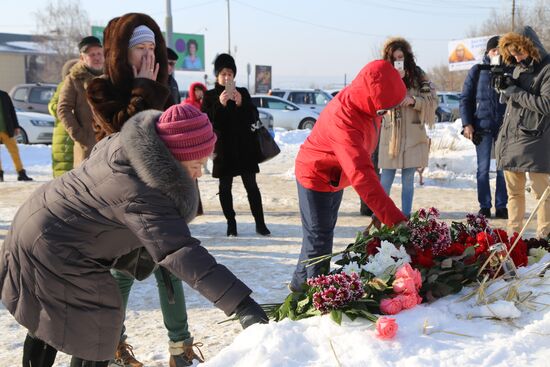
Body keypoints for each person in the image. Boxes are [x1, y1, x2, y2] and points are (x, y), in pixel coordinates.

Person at [0, 103, 268, 367]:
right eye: (196, 162)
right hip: (55, 246)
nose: (199, 173)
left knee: (53, 313)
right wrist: (242, 305)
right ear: (175, 154)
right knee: (99, 321)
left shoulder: (124, 145)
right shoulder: (143, 189)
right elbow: (180, 251)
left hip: (36, 222)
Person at [86, 14, 203, 367]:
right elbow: (126, 135)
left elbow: (170, 137)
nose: (149, 55)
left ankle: (180, 349)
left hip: (161, 193)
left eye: (153, 47)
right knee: (122, 273)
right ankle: (114, 345)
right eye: (141, 47)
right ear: (122, 52)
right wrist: (144, 88)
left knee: (172, 268)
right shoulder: (101, 89)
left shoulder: (161, 84)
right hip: (123, 200)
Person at [289, 59, 409, 291]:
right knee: (319, 242)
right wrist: (395, 220)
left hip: (336, 176)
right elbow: (362, 175)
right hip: (316, 175)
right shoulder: (344, 120)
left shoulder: (367, 101)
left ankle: (298, 285)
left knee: (318, 235)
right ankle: (314, 300)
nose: (387, 114)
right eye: (386, 110)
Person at [202, 53, 271, 237]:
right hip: (223, 151)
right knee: (225, 189)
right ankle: (231, 224)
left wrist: (241, 103)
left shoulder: (243, 92)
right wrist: (220, 104)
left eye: (230, 74)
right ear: (217, 75)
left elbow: (253, 117)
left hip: (245, 149)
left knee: (252, 187)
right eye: (223, 74)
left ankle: (260, 224)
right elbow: (208, 122)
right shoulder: (209, 97)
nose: (227, 77)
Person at [495, 26, 550, 238]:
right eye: (512, 55)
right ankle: (513, 236)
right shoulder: (518, 69)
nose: (517, 58)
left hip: (536, 139)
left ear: (531, 47)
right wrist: (505, 89)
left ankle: (544, 237)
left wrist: (515, 92)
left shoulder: (547, 69)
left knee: (542, 193)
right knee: (514, 193)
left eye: (519, 52)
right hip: (512, 138)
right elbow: (514, 102)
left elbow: (546, 104)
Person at [377, 37, 438, 218]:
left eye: (401, 57)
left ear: (407, 56)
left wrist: (413, 101)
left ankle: (405, 218)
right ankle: (381, 216)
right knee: (386, 179)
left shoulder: (419, 76)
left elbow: (432, 101)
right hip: (391, 135)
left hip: (413, 134)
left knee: (408, 179)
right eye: (395, 58)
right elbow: (376, 101)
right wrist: (393, 84)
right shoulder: (383, 74)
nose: (398, 62)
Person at [459, 35, 508, 219]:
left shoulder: (509, 70)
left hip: (504, 127)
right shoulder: (477, 70)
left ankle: (502, 206)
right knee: (483, 168)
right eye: (494, 50)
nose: (497, 53)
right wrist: (467, 123)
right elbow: (465, 98)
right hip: (483, 125)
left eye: (501, 50)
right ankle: (485, 206)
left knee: (504, 169)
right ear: (488, 52)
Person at [57, 36, 104, 167]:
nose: (97, 57)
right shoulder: (74, 79)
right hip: (88, 147)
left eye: (99, 53)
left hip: (111, 145)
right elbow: (63, 109)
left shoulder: (112, 76)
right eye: (92, 54)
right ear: (82, 58)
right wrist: (81, 136)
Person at [49, 58, 78, 178]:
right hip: (65, 133)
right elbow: (52, 106)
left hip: (76, 131)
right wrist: (67, 110)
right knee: (64, 168)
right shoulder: (64, 86)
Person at [0, 89, 33, 182]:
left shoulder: (4, 95)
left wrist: (16, 126)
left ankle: (21, 173)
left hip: (7, 130)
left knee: (14, 151)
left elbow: (11, 111)